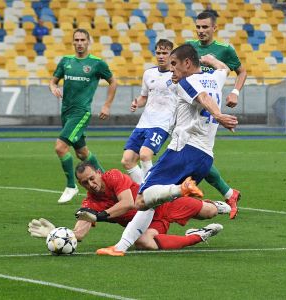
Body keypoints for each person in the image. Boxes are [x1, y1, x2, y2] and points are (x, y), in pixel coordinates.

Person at [97, 44, 238, 256]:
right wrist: (211, 60)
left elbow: (203, 98)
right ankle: (119, 248)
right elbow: (224, 69)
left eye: (174, 64)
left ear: (187, 63)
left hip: (183, 151)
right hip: (205, 157)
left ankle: (179, 190)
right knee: (150, 204)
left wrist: (218, 115)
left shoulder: (186, 81)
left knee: (143, 199)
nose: (171, 69)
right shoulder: (215, 78)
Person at [28, 162, 230, 253]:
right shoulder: (89, 203)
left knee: (209, 212)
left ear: (99, 173)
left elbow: (128, 203)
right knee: (143, 243)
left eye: (91, 178)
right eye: (85, 183)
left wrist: (99, 216)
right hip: (148, 224)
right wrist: (55, 234)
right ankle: (198, 236)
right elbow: (79, 234)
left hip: (164, 205)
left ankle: (214, 205)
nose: (90, 184)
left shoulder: (113, 176)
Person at [186, 9, 249, 219]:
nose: (201, 31)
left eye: (205, 27)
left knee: (193, 153)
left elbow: (242, 71)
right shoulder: (189, 48)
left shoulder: (224, 50)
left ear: (215, 28)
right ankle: (228, 194)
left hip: (208, 111)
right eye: (198, 27)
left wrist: (235, 91)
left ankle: (182, 192)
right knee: (196, 154)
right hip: (188, 107)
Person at [49, 28, 117, 204]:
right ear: (73, 42)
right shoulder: (66, 61)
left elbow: (113, 81)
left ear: (88, 42)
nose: (79, 43)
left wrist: (107, 105)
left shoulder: (96, 63)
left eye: (82, 40)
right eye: (76, 40)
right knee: (82, 153)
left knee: (60, 147)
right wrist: (53, 87)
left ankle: (71, 185)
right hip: (66, 112)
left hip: (81, 113)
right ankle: (109, 182)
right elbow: (53, 80)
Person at [121, 39, 177, 184]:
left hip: (162, 124)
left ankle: (147, 196)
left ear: (172, 55)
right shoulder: (148, 73)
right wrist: (136, 103)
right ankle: (147, 191)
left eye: (165, 53)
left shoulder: (178, 75)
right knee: (127, 160)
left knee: (145, 155)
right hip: (144, 123)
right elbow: (144, 97)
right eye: (158, 52)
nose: (161, 56)